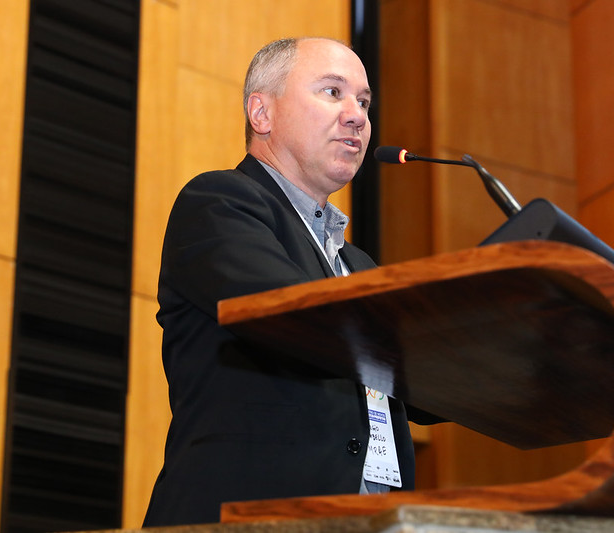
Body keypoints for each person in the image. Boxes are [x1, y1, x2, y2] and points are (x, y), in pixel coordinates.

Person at [143, 37, 428, 527]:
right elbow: (298, 315)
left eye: (364, 102)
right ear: (262, 113)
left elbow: (429, 380)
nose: (357, 117)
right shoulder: (218, 204)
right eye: (333, 92)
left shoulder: (358, 265)